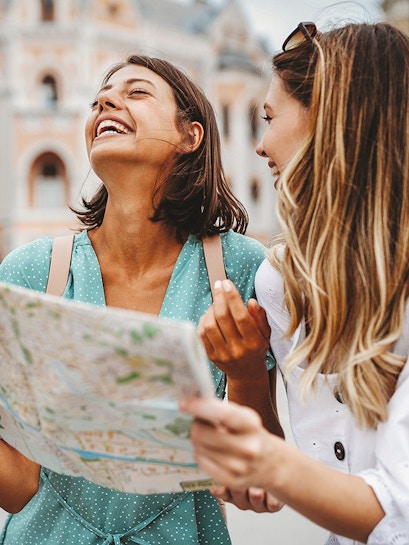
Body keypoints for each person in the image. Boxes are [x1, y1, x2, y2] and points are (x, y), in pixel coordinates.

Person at [0, 54, 282, 545]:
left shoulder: (241, 270)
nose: (106, 100)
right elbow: (21, 488)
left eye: (136, 92)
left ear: (190, 136)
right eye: (99, 98)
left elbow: (257, 477)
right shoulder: (30, 272)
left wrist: (246, 373)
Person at [180, 22, 409, 545]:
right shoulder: (280, 278)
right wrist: (245, 376)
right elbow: (298, 479)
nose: (260, 146)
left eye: (269, 118)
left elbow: (397, 509)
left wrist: (264, 460)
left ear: (331, 119)